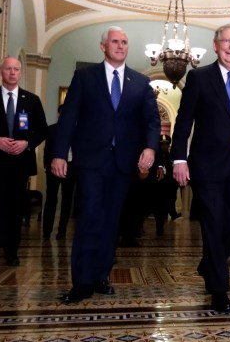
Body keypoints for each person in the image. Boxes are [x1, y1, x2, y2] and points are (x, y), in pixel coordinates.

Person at [51, 26, 160, 303]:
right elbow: (69, 118)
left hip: (123, 164)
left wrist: (150, 147)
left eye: (124, 42)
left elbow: (151, 121)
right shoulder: (85, 77)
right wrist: (59, 153)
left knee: (112, 221)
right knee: (89, 217)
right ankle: (81, 282)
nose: (121, 46)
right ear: (103, 46)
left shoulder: (140, 82)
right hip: (91, 161)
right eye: (115, 41)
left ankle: (101, 275)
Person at [172, 24, 230, 313]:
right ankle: (219, 290)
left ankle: (207, 264)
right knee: (213, 222)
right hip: (207, 166)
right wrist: (179, 158)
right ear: (215, 45)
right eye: (227, 42)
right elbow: (184, 121)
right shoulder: (198, 77)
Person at [0, 57, 48, 275]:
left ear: (20, 73)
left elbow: (42, 130)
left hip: (20, 165)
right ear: (0, 72)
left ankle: (12, 253)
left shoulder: (31, 100)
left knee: (15, 210)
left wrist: (27, 143)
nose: (12, 73)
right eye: (8, 69)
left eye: (16, 69)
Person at [42, 104, 76, 240]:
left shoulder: (77, 130)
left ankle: (62, 230)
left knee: (67, 201)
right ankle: (46, 231)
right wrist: (47, 165)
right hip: (53, 170)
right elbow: (47, 149)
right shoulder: (52, 130)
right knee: (51, 199)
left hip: (71, 170)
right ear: (59, 114)